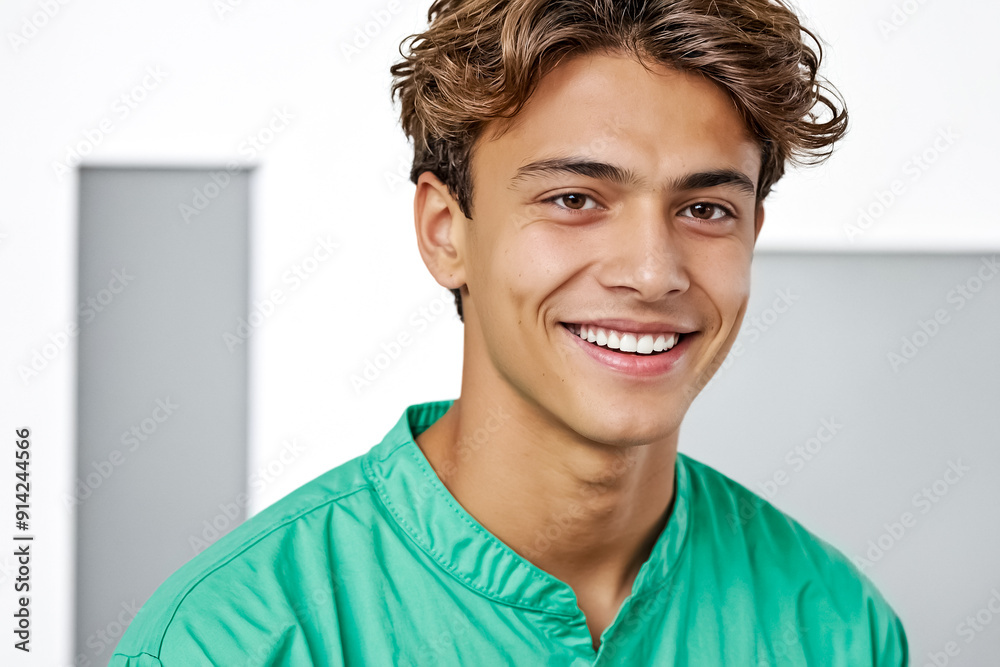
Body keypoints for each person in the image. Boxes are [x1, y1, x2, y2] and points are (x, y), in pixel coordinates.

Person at [113, 0, 909, 664]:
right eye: (573, 199)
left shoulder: (837, 628)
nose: (653, 271)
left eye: (705, 209)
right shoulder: (233, 639)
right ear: (444, 230)